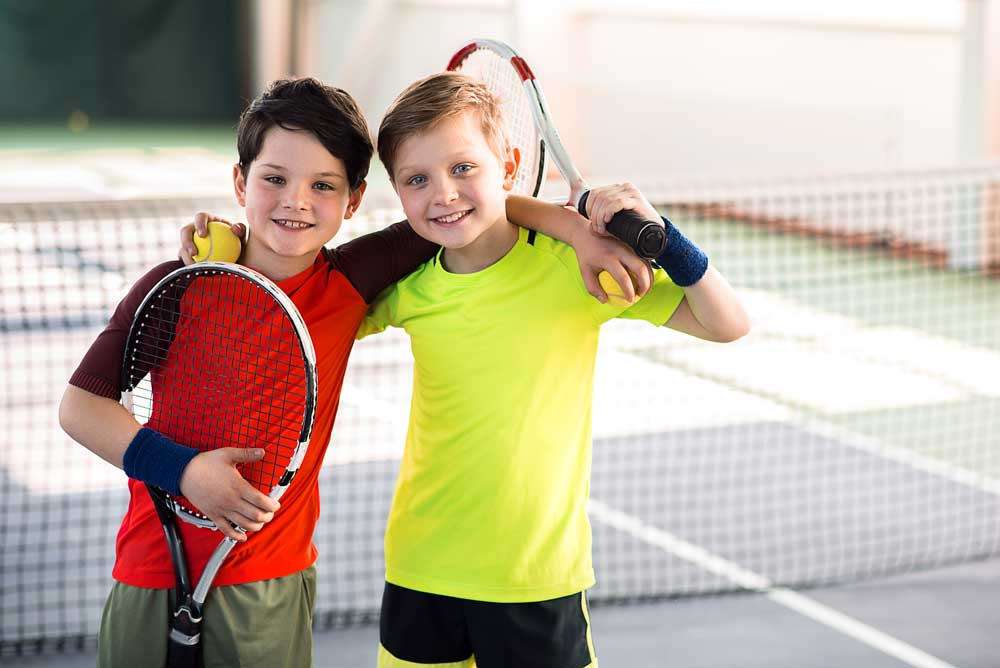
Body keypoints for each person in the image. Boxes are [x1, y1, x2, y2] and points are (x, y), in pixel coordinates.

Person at [58, 76, 645, 668]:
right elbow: (81, 407)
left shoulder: (353, 280)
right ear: (241, 182)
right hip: (149, 571)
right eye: (274, 179)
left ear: (355, 199)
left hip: (271, 583)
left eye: (324, 185)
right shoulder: (176, 287)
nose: (297, 201)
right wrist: (183, 472)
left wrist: (572, 226)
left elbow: (474, 204)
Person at [363, 72, 750, 668]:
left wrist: (667, 240)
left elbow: (726, 322)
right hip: (422, 568)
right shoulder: (407, 287)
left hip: (536, 578)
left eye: (463, 168)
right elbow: (308, 307)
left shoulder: (578, 269)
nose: (444, 194)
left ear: (510, 164)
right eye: (418, 179)